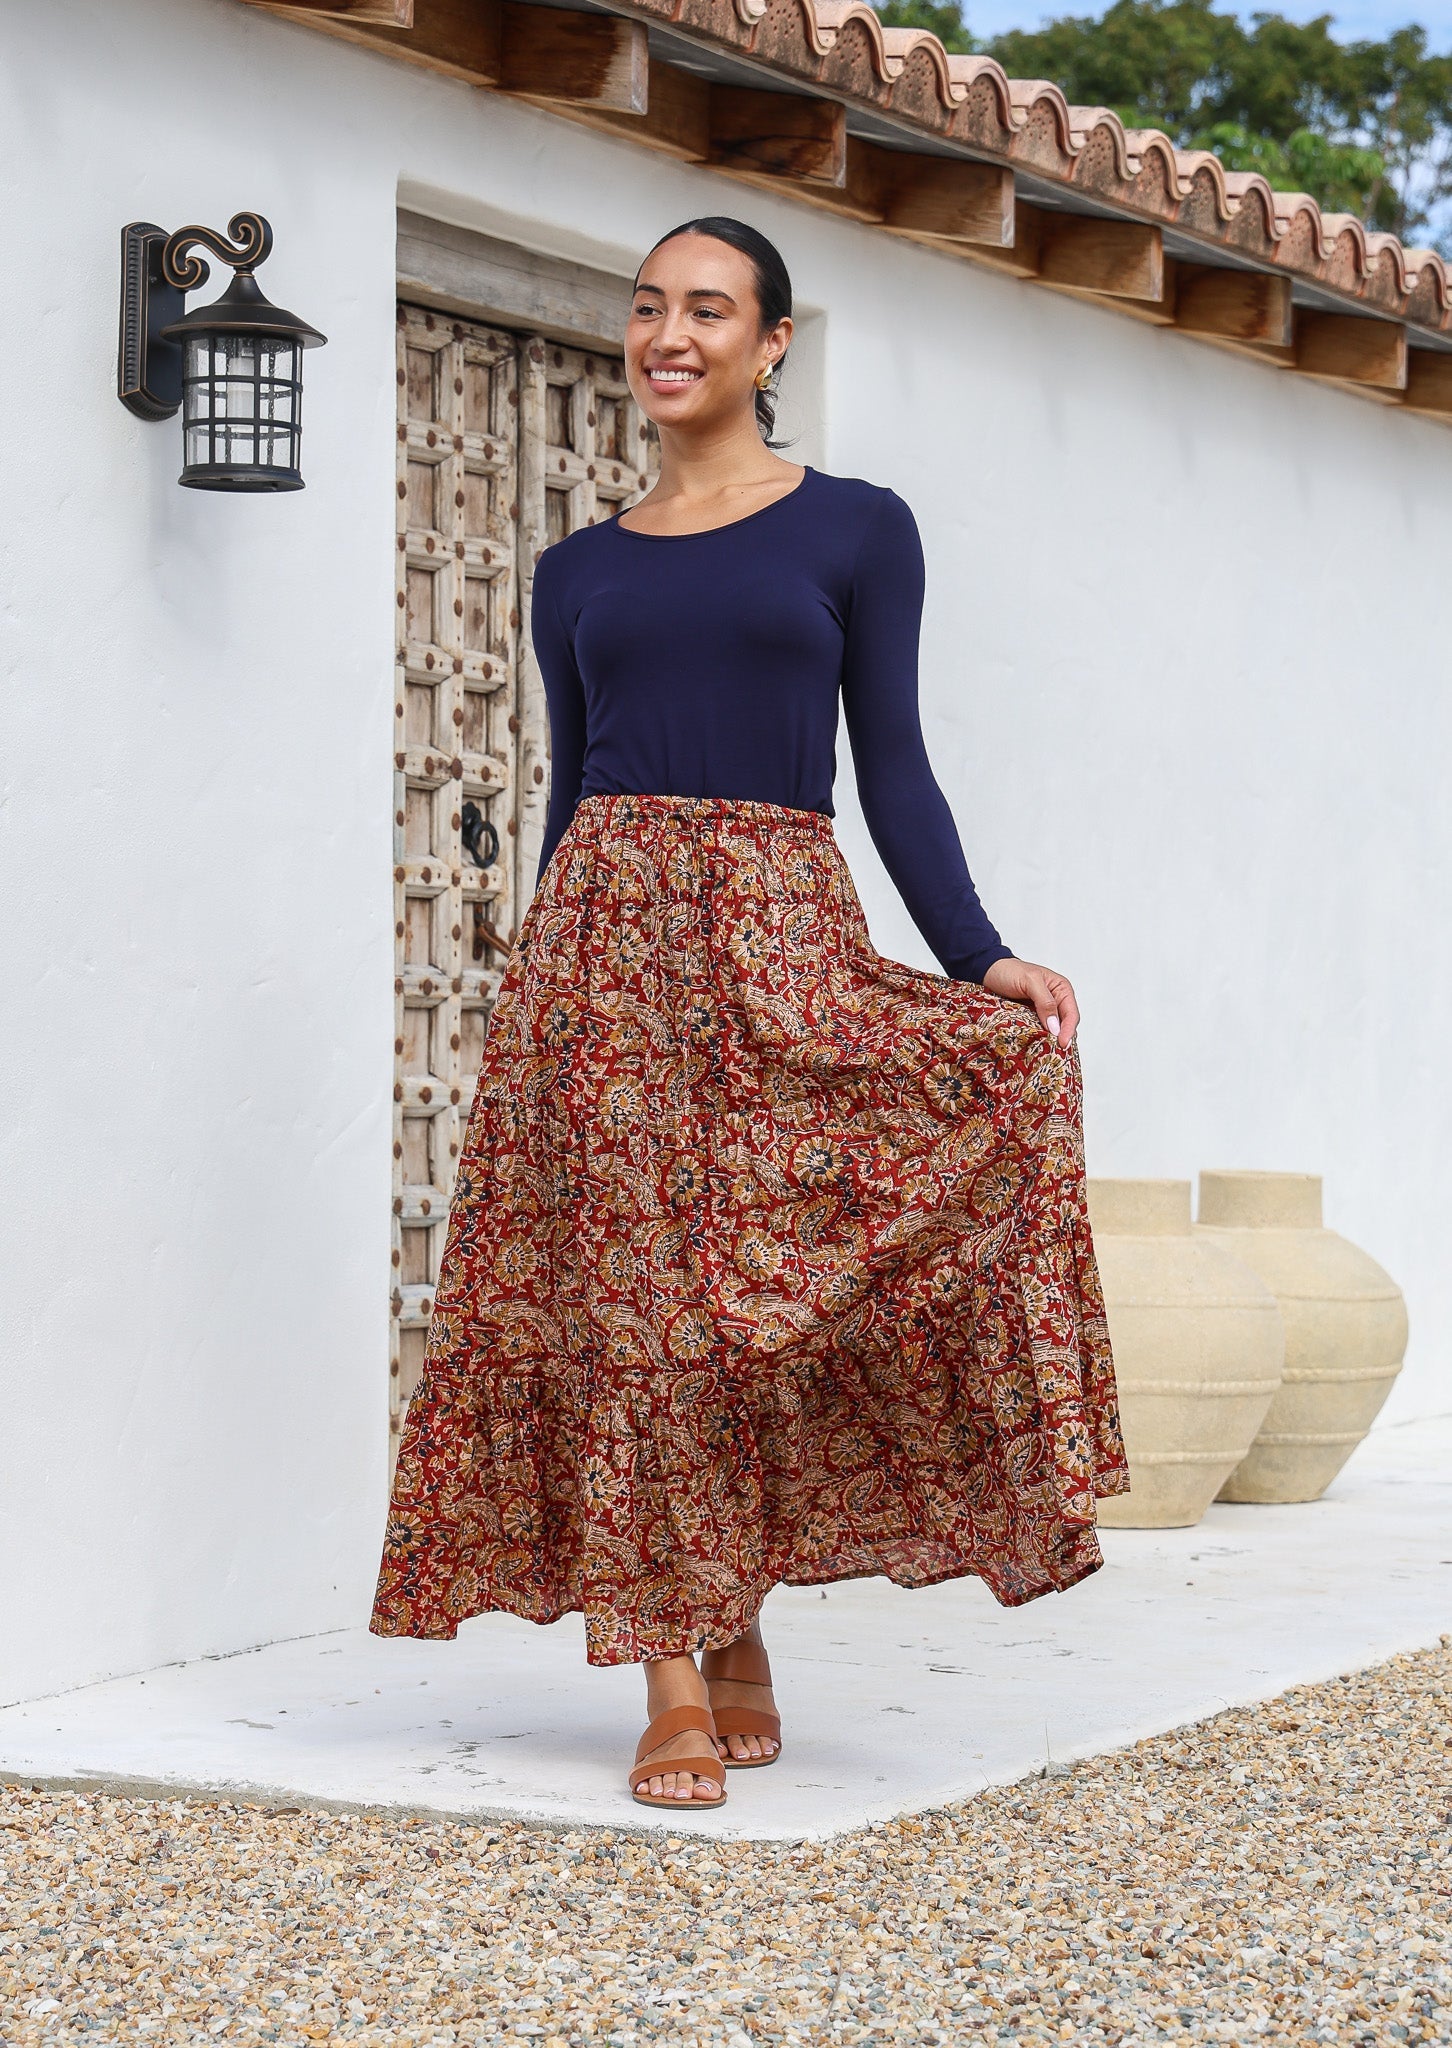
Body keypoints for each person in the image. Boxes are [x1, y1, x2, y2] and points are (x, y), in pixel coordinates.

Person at [370, 216, 1129, 1810]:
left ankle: (741, 1614)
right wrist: (540, 978)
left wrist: (977, 952)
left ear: (772, 345)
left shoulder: (855, 529)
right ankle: (671, 1674)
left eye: (708, 310)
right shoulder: (573, 568)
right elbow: (574, 788)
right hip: (604, 957)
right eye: (649, 307)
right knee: (640, 1313)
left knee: (752, 1304)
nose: (670, 333)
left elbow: (893, 763)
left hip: (782, 940)